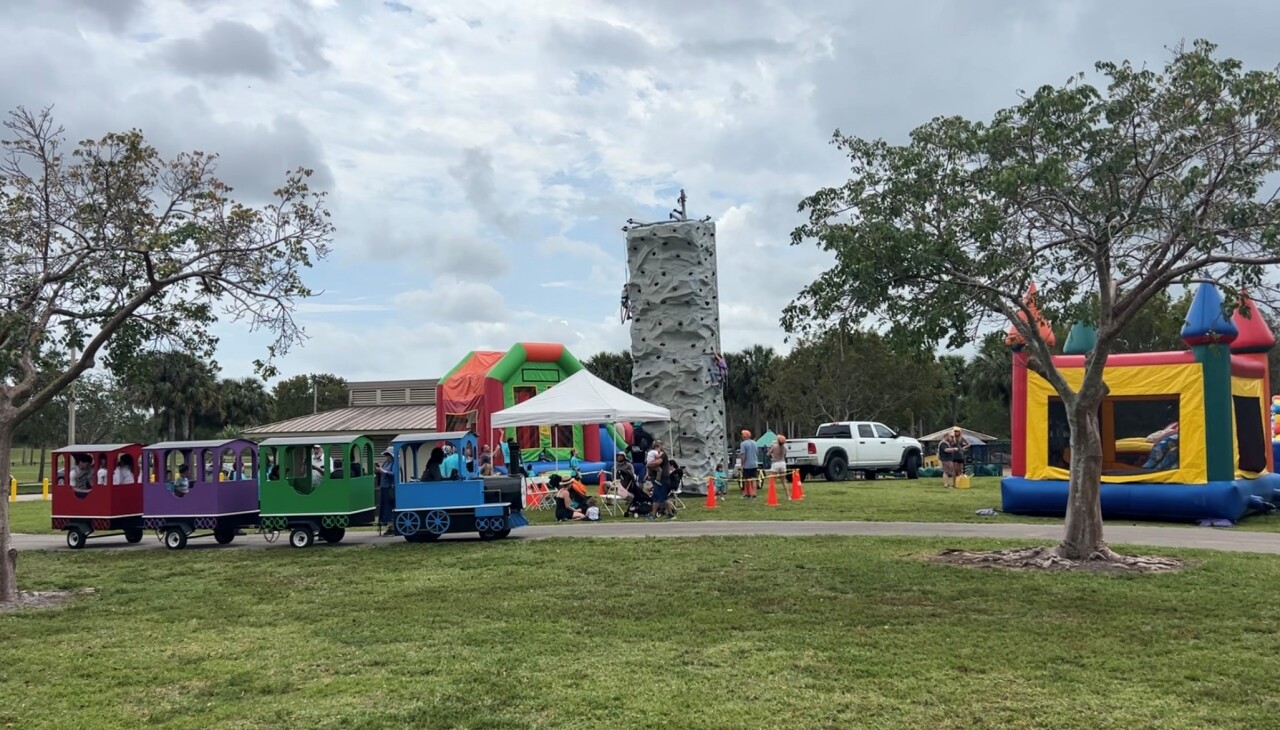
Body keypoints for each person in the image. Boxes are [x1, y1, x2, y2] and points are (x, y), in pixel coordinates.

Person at [375, 448, 396, 533]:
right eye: (386, 455)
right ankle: (387, 525)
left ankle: (392, 526)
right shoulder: (385, 463)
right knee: (384, 508)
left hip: (390, 488)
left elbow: (393, 474)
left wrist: (384, 471)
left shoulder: (395, 463)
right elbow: (381, 471)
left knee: (389, 507)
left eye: (388, 455)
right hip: (383, 487)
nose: (386, 457)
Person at [739, 430, 759, 498]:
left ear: (744, 436)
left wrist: (742, 465)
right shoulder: (754, 443)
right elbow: (757, 452)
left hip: (747, 465)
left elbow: (743, 455)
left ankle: (747, 494)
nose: (741, 436)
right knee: (754, 479)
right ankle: (754, 494)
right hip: (754, 464)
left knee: (746, 479)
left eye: (742, 435)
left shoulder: (743, 444)